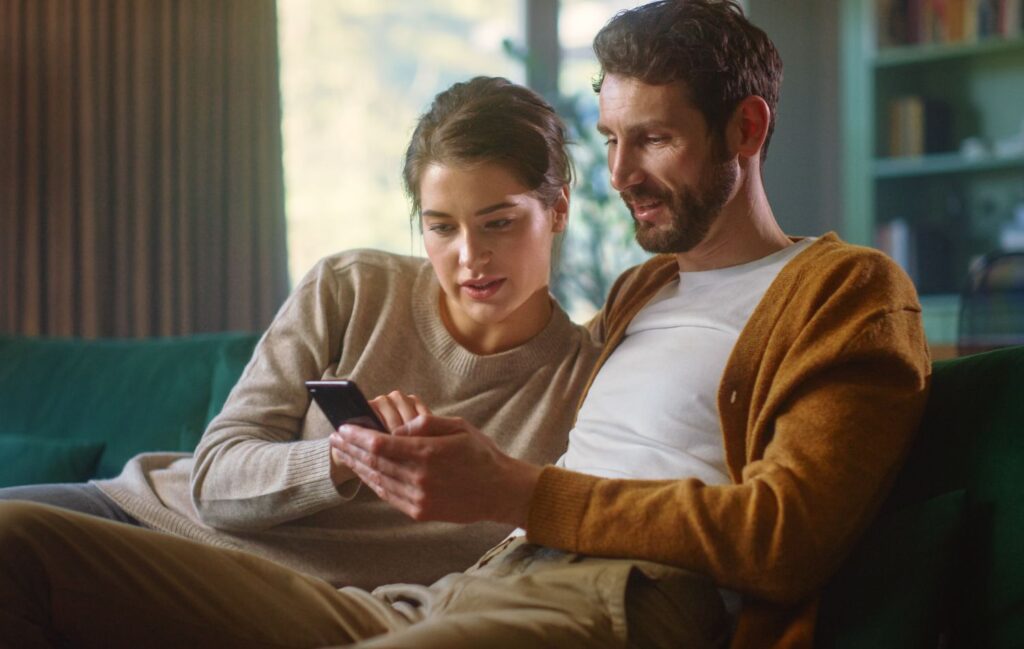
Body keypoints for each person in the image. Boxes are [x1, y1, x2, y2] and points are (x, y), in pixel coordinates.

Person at [0, 2, 930, 648]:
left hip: (621, 591)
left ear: (747, 130)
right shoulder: (642, 298)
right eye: (610, 138)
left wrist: (513, 489)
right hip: (469, 584)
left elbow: (785, 534)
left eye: (653, 138)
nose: (622, 172)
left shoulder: (843, 291)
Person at [0, 76, 600, 590]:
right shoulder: (353, 287)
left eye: (498, 222)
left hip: (274, 599)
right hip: (152, 517)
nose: (470, 257)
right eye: (441, 228)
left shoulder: (587, 384)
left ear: (559, 209)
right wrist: (341, 457)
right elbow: (213, 481)